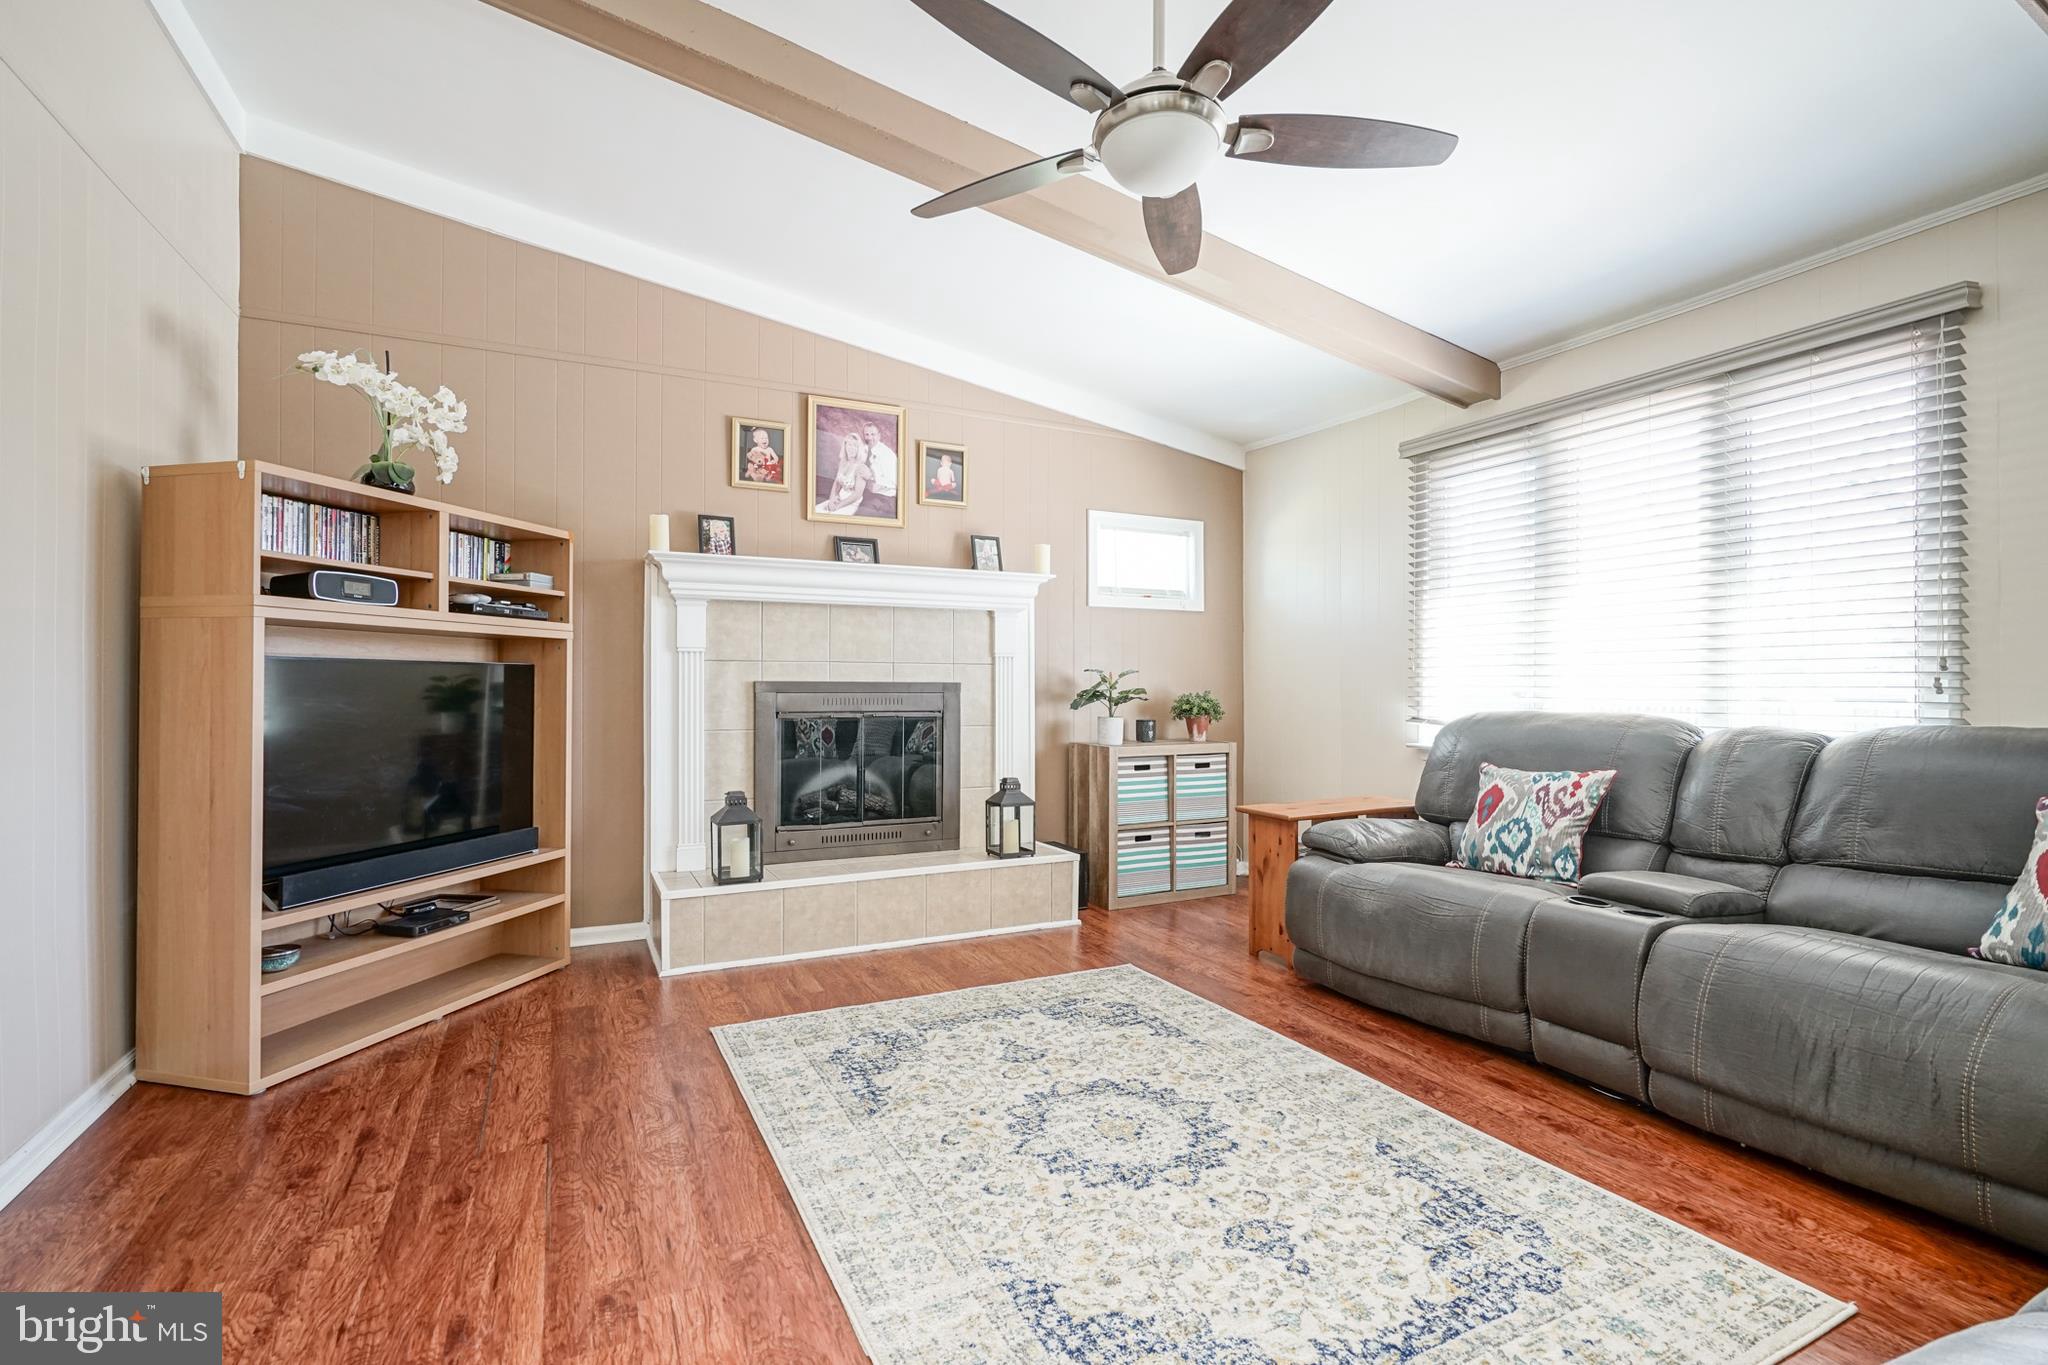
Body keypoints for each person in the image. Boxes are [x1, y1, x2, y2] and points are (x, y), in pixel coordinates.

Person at [819, 430, 871, 515]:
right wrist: (832, 499)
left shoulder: (861, 468)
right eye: (849, 445)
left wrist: (839, 506)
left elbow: (857, 494)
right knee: (818, 511)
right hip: (839, 497)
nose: (851, 448)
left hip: (851, 502)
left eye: (855, 446)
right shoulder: (843, 462)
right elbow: (837, 482)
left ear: (859, 449)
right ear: (845, 446)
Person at [862, 420, 898, 501]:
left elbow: (894, 483)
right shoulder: (864, 449)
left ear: (879, 436)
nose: (869, 437)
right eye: (866, 434)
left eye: (873, 434)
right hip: (866, 492)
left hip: (885, 497)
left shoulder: (887, 455)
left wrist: (872, 479)